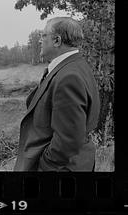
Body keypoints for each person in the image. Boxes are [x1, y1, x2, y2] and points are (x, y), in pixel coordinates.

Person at [14, 17, 100, 171]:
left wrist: (45, 166)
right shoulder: (75, 66)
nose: (40, 40)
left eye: (43, 35)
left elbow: (68, 138)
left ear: (57, 40)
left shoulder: (69, 76)